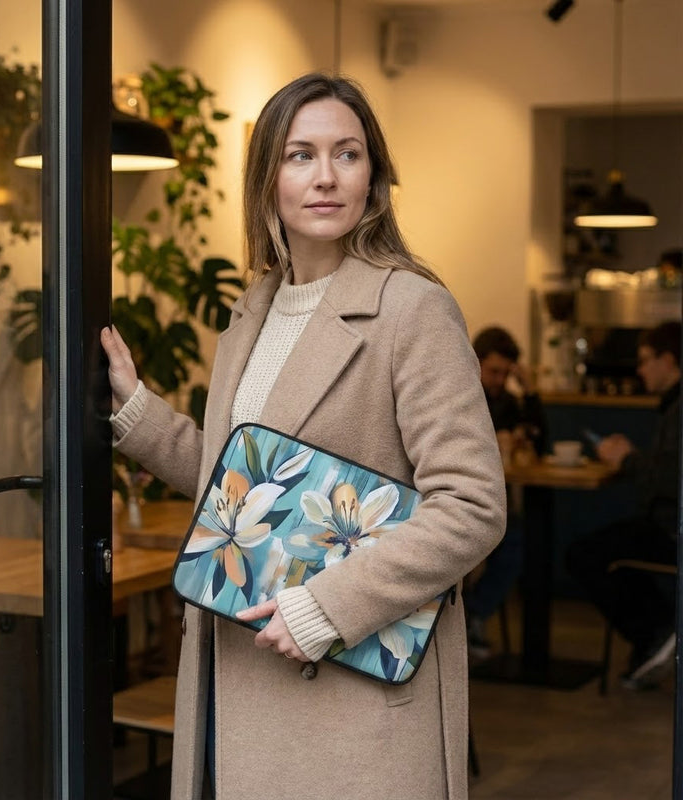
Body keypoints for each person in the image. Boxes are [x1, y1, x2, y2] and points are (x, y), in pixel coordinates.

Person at [101, 73, 505, 800]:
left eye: (347, 154)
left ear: (374, 179)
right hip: (236, 681)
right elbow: (250, 491)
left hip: (346, 700)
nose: (325, 177)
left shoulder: (411, 308)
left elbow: (472, 505)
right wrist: (136, 412)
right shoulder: (252, 310)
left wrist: (329, 605)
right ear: (267, 182)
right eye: (300, 156)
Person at [567, 320, 681, 690]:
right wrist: (632, 455)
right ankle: (655, 636)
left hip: (670, 528)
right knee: (601, 550)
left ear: (668, 360)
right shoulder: (673, 404)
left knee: (583, 554)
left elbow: (673, 477)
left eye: (647, 360)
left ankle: (656, 633)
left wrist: (628, 461)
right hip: (663, 523)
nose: (639, 369)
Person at [465, 327, 546, 657]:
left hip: (493, 502)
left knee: (517, 538)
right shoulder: (464, 397)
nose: (498, 380)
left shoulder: (510, 404)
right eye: (493, 371)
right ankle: (469, 617)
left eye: (505, 373)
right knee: (512, 537)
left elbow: (541, 445)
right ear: (477, 363)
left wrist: (530, 392)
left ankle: (472, 614)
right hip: (462, 501)